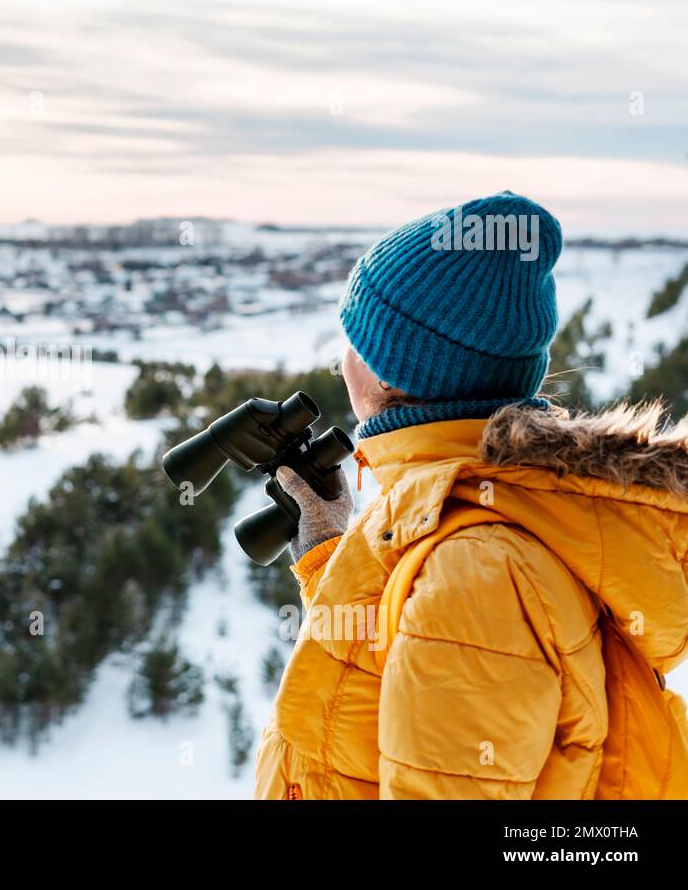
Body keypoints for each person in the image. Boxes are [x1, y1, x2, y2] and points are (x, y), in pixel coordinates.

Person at [254, 190, 688, 799]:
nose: (342, 360)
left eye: (353, 339)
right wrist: (329, 551)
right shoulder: (493, 515)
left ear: (387, 370)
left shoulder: (476, 570)